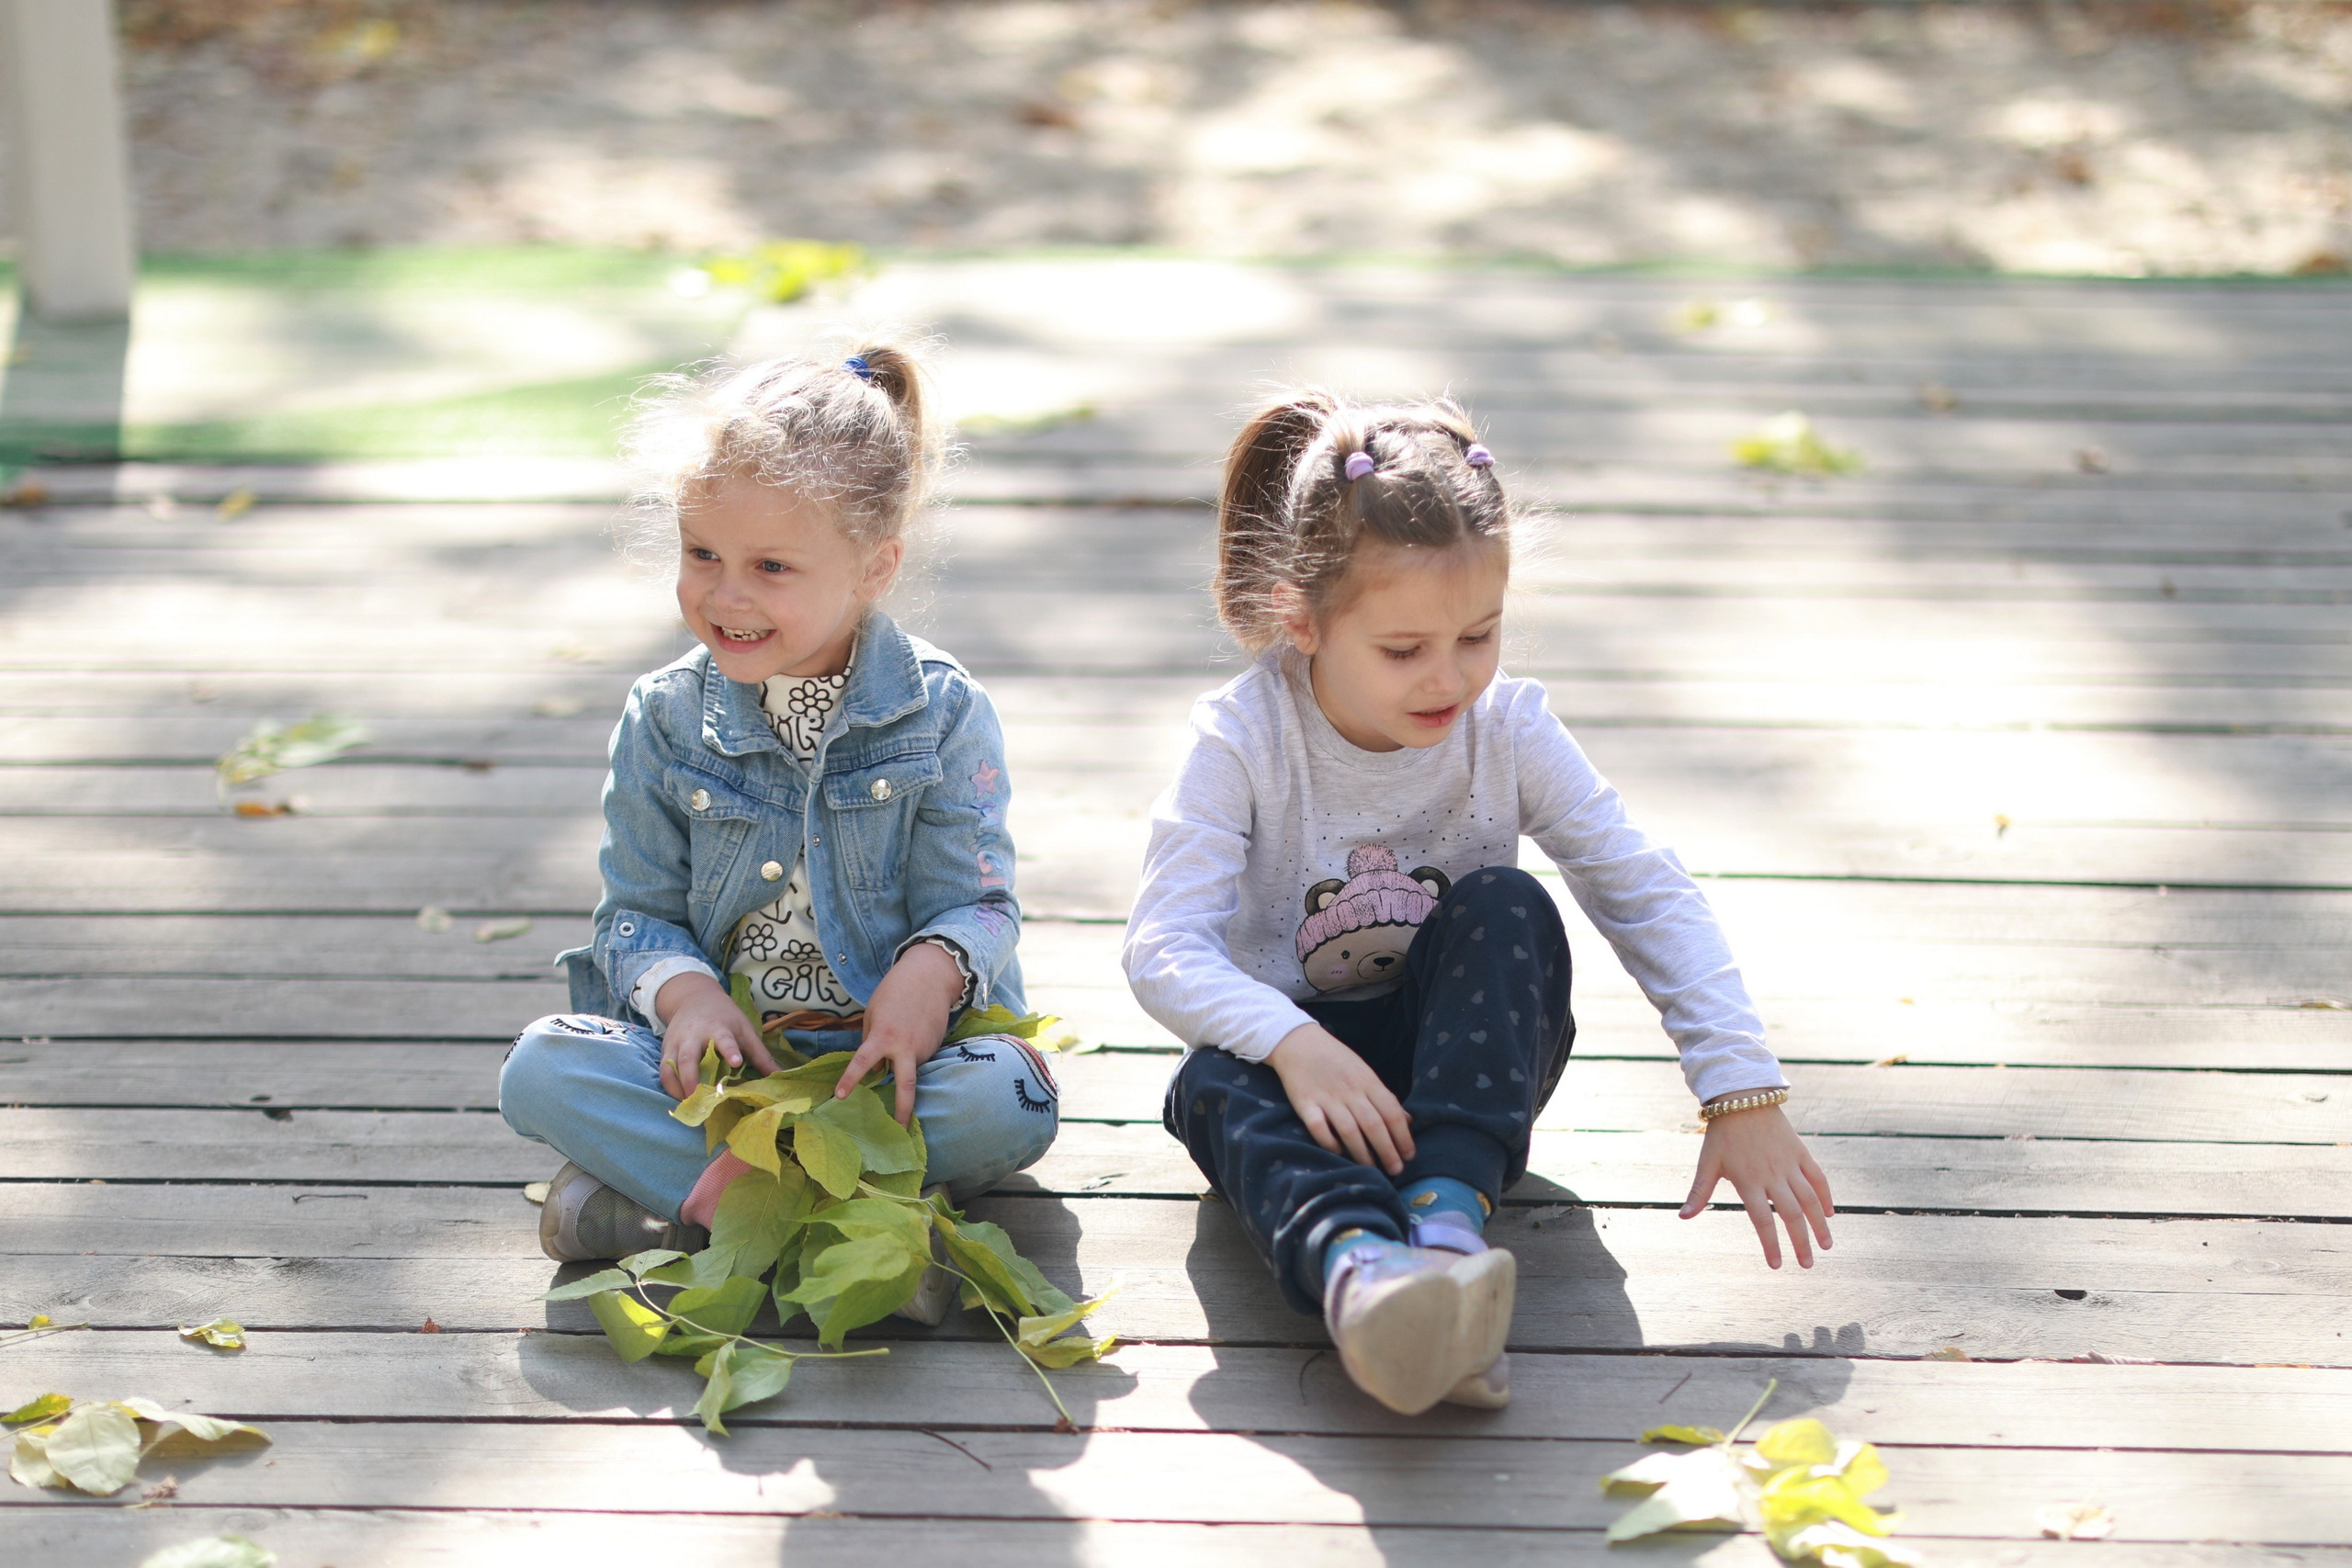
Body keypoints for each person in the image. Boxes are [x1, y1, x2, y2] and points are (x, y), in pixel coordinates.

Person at [1123, 391, 1832, 1415]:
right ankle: (1369, 1280)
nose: (1448, 678)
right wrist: (1292, 1042)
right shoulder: (1241, 739)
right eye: (1403, 650)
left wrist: (1740, 1087)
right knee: (1209, 1083)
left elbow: (1640, 883)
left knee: (1508, 903)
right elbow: (1161, 947)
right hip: (1300, 1075)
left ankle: (1447, 1229)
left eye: (1479, 635)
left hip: (1465, 1063)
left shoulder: (1508, 728)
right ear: (1302, 619)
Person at [501, 342, 1059, 1325]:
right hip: (727, 1078)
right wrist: (687, 999)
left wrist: (926, 979)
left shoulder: (941, 711)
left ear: (874, 566)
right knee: (541, 1067)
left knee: (1012, 1096)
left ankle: (696, 1205)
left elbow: (978, 904)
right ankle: (850, 1229)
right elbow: (633, 916)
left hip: (885, 1072)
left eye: (771, 566)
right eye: (701, 554)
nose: (727, 595)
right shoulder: (665, 716)